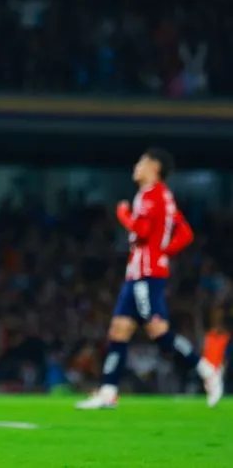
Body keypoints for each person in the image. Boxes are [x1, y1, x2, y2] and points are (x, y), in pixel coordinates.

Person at [76, 148, 224, 409]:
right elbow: (185, 233)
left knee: (158, 331)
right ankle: (108, 392)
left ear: (155, 167)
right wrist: (163, 251)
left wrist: (123, 214)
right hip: (139, 274)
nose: (136, 166)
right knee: (119, 329)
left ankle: (207, 370)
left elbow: (142, 231)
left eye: (141, 162)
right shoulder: (164, 196)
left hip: (146, 275)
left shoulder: (150, 195)